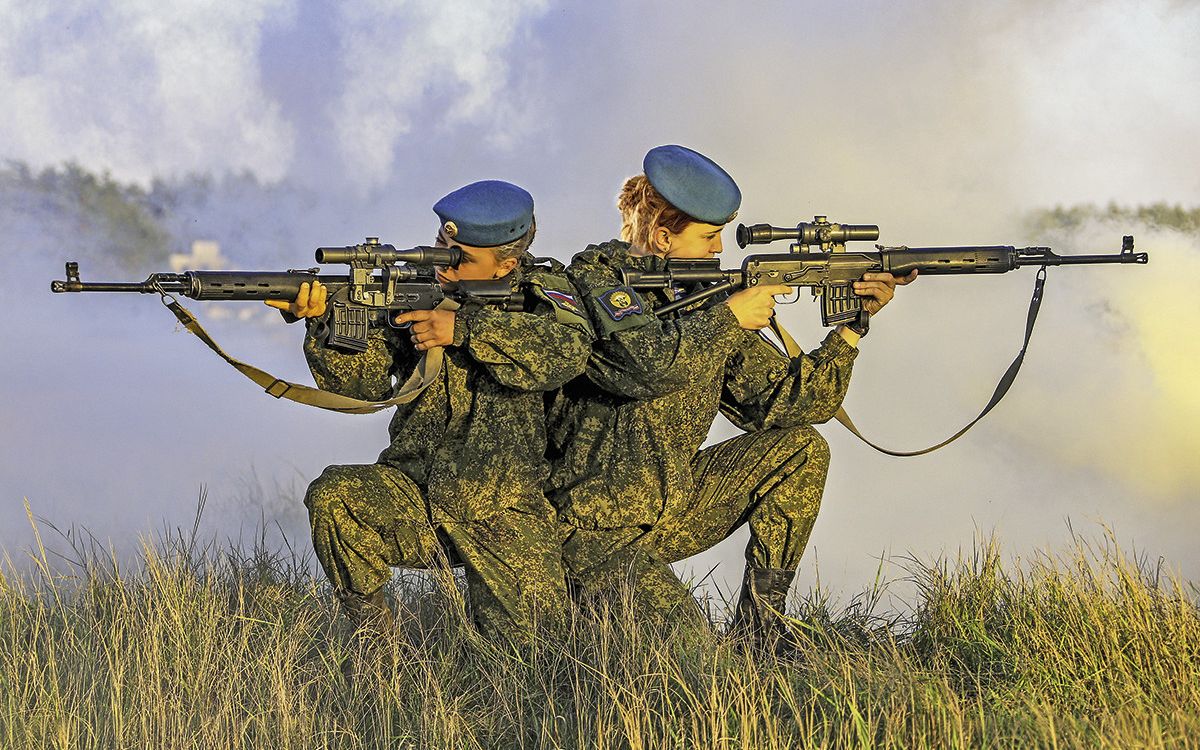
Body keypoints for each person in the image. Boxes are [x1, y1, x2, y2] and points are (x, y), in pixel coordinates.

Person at [546, 145, 915, 647]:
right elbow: (645, 368)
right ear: (661, 236)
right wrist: (728, 318)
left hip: (670, 504)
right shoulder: (592, 285)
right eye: (708, 236)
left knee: (802, 448)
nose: (720, 248)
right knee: (691, 649)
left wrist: (852, 329)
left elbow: (784, 405)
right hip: (591, 530)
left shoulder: (702, 296)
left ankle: (762, 629)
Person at [267, 180, 592, 643]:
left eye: (461, 257)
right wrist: (325, 322)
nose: (445, 264)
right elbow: (362, 388)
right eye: (442, 245)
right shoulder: (415, 289)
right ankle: (376, 649)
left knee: (534, 659)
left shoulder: (545, 292)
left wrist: (462, 328)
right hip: (416, 492)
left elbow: (565, 353)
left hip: (504, 509)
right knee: (334, 497)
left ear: (509, 262)